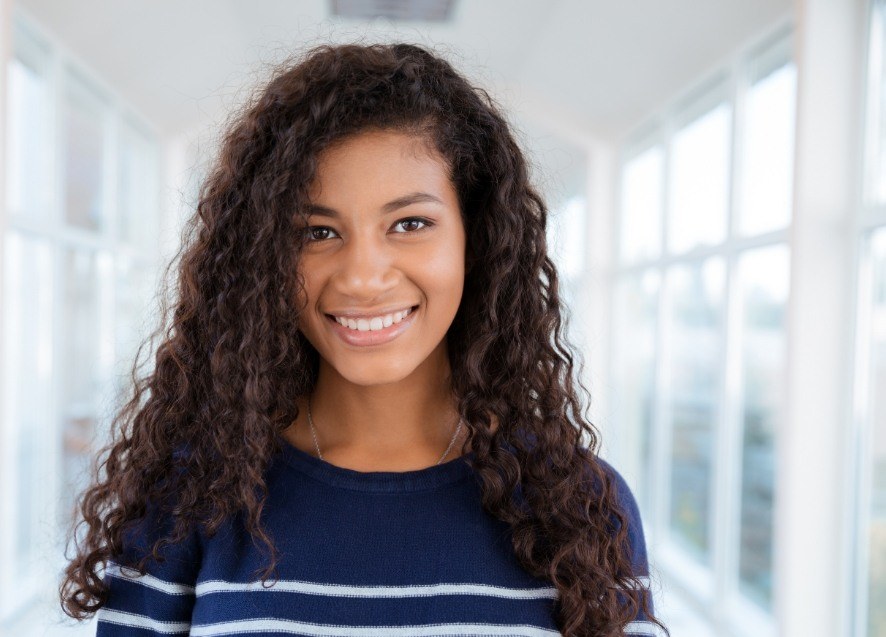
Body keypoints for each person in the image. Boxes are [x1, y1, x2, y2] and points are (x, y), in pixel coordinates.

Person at [59, 42, 669, 637]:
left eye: (410, 224)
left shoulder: (581, 506)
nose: (361, 277)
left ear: (475, 242)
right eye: (317, 232)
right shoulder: (188, 498)